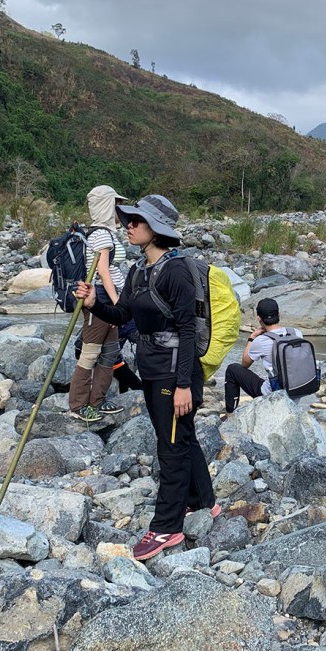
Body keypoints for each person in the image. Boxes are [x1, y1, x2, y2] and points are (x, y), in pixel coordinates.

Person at [76, 194, 215, 561]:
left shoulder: (177, 271)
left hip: (175, 372)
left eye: (136, 221)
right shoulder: (140, 270)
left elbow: (187, 331)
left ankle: (166, 528)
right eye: (129, 220)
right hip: (151, 368)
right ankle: (204, 502)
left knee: (170, 448)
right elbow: (123, 314)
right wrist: (94, 305)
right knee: (180, 437)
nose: (129, 226)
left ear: (157, 230)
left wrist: (185, 384)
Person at [68, 185, 130, 423]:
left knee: (110, 351)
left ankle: (97, 400)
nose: (119, 209)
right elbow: (103, 272)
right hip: (101, 299)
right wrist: (118, 306)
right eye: (116, 204)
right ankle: (78, 404)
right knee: (91, 352)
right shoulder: (101, 235)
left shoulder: (105, 232)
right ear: (106, 205)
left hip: (108, 298)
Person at [223, 297, 303, 415]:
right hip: (296, 391)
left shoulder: (262, 340)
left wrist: (252, 338)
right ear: (279, 314)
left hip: (273, 394)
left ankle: (230, 414)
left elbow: (245, 364)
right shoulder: (296, 333)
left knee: (232, 369)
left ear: (259, 318)